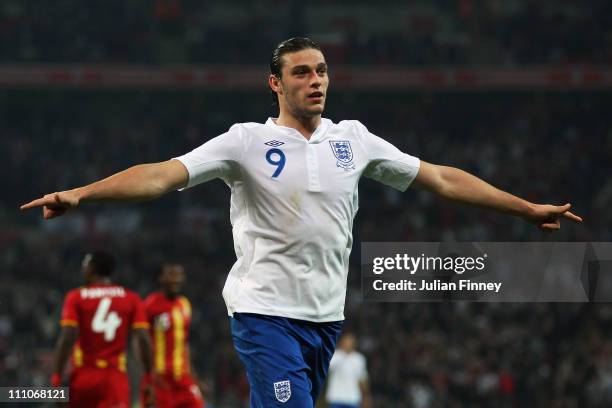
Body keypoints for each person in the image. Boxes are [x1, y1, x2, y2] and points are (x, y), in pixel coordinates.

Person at [23, 37, 582, 407]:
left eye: (321, 71)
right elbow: (161, 176)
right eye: (301, 72)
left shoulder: (354, 139)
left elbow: (441, 179)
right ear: (275, 83)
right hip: (265, 312)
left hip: (325, 319)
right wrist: (83, 194)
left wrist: (526, 209)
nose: (316, 80)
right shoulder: (245, 141)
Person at [51, 251, 154, 408]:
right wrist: (148, 376)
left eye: (85, 265)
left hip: (83, 376)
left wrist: (57, 377)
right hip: (114, 378)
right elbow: (143, 339)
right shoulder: (131, 298)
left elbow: (67, 338)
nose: (82, 269)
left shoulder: (76, 297)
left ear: (92, 268)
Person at [141, 263, 205, 407]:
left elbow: (184, 343)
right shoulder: (150, 305)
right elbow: (140, 341)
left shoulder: (184, 304)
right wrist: (148, 377)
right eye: (171, 274)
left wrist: (194, 376)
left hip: (183, 377)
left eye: (179, 274)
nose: (176, 278)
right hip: (160, 379)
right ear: (161, 279)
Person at [325, 333, 372, 408]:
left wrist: (366, 396)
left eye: (350, 341)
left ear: (354, 343)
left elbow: (362, 379)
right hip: (335, 397)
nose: (348, 343)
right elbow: (326, 372)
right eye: (346, 341)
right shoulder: (334, 356)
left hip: (353, 398)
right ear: (342, 342)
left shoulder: (359, 359)